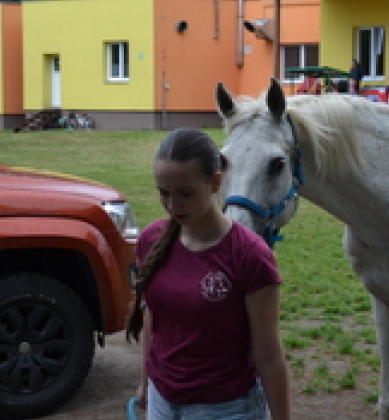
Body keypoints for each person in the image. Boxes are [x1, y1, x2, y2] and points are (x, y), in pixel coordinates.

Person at [125, 128, 292, 420]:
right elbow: (155, 320)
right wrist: (146, 382)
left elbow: (269, 355)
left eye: (185, 193)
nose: (173, 206)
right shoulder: (152, 241)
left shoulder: (249, 255)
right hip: (162, 401)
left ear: (215, 182)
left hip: (227, 408)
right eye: (163, 193)